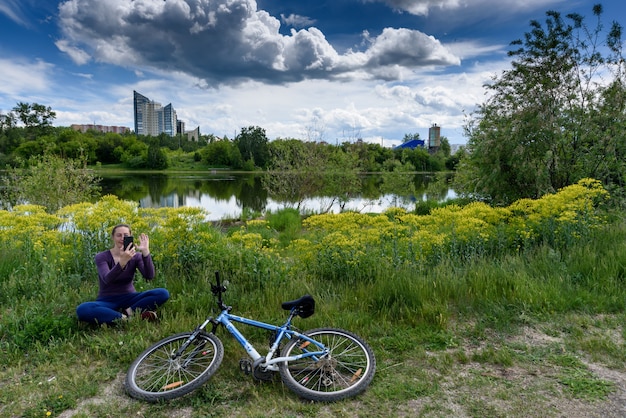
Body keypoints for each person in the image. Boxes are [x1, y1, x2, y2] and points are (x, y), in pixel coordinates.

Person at [76, 224, 169, 325]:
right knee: (83, 309)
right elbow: (107, 279)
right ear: (113, 237)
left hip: (130, 298)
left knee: (162, 293)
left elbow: (149, 276)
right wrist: (122, 262)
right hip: (107, 300)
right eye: (118, 235)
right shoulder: (102, 257)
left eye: (125, 235)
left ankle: (125, 313)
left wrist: (145, 253)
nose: (122, 238)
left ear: (130, 236)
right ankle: (127, 319)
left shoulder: (136, 256)